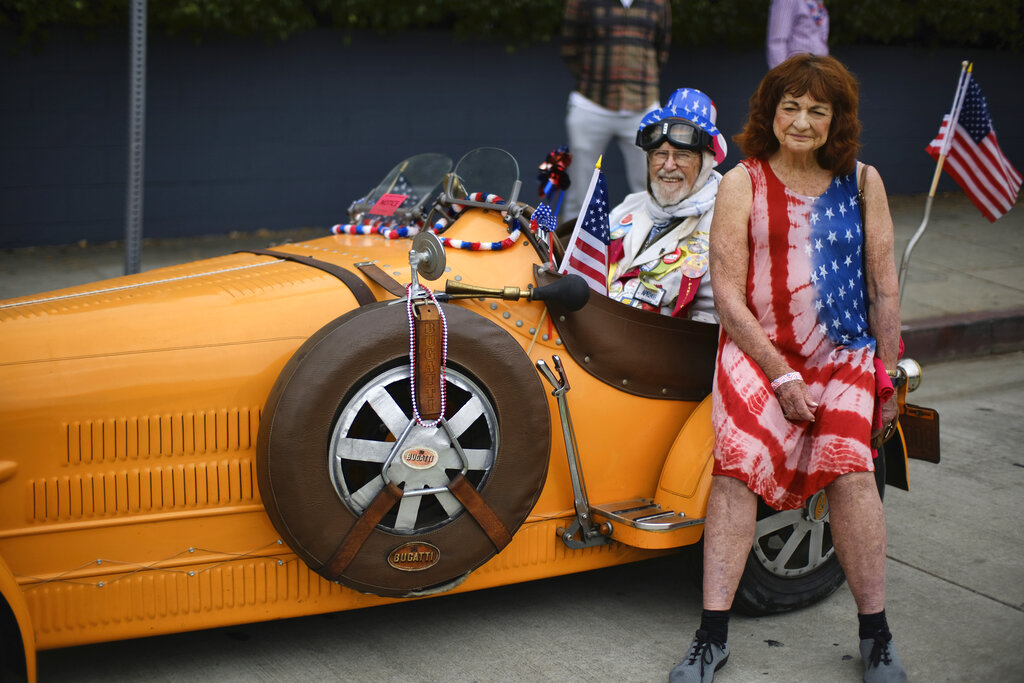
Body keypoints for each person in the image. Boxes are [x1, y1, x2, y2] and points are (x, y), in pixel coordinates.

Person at [670, 55, 905, 682]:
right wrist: (780, 373)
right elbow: (727, 295)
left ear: (837, 121)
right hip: (758, 349)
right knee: (735, 470)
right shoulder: (741, 181)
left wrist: (891, 373)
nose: (801, 121)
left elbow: (884, 287)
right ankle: (710, 636)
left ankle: (876, 636)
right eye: (790, 107)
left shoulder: (862, 182)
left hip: (845, 352)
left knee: (851, 473)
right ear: (770, 114)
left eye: (817, 111)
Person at [607, 87, 728, 323]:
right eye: (660, 154)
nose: (668, 166)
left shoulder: (726, 220)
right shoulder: (627, 207)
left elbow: (715, 321)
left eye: (682, 155)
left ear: (705, 162)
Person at [561, 0, 671, 221]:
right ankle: (569, 248)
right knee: (580, 191)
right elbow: (569, 46)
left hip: (642, 104)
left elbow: (662, 46)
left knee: (651, 187)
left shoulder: (659, 2)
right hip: (591, 102)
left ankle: (650, 249)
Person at [766, 0, 829, 69]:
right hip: (797, 71)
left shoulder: (817, 2)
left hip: (819, 69)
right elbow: (777, 42)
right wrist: (783, 77)